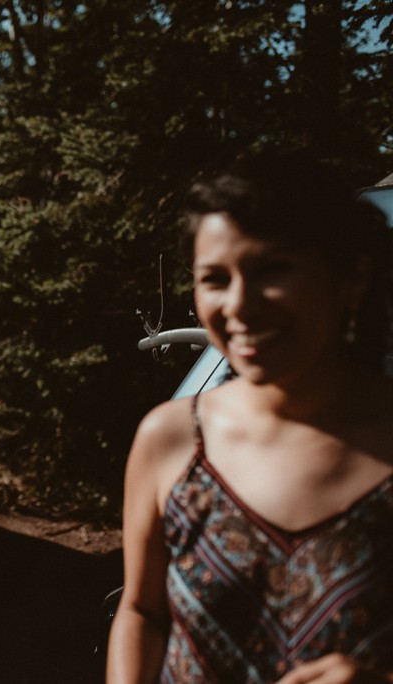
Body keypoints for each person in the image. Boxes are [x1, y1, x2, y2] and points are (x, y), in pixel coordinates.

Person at [108, 156, 393, 684]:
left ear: (351, 278)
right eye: (215, 278)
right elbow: (142, 611)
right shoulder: (169, 438)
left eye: (273, 270)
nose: (239, 305)